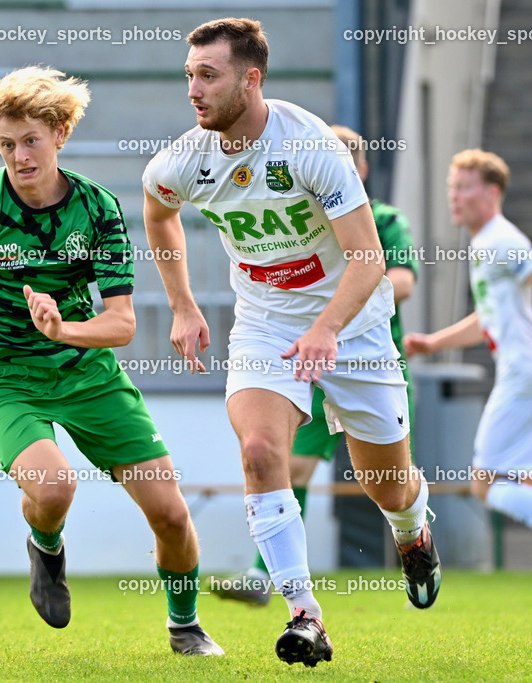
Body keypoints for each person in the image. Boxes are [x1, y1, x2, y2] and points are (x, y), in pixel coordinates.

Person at [142, 18, 440, 667]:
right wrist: (184, 305)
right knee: (258, 452)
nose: (194, 89)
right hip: (266, 326)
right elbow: (158, 212)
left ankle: (412, 530)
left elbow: (368, 259)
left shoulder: (309, 146)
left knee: (386, 484)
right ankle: (305, 613)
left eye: (209, 75)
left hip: (353, 325)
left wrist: (326, 329)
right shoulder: (182, 160)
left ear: (251, 79)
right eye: (190, 75)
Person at [0, 66, 224, 656]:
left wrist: (62, 329)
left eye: (31, 140)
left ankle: (186, 626)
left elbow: (122, 324)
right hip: (5, 376)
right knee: (53, 488)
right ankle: (45, 546)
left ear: (60, 134)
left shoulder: (97, 209)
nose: (19, 157)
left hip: (86, 371)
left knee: (172, 515)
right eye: (6, 144)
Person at [214, 124, 420, 606]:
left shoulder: (383, 220)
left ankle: (412, 531)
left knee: (389, 486)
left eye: (344, 159)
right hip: (302, 360)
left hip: (366, 358)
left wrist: (340, 305)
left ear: (360, 169)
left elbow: (403, 281)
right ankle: (274, 583)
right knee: (284, 462)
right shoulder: (294, 216)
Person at [404, 149, 532, 602]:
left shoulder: (500, 240)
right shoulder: (486, 243)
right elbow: (488, 319)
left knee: (486, 483)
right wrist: (432, 343)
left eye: (464, 187)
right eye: (451, 188)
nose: (454, 196)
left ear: (492, 192)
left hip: (527, 375)